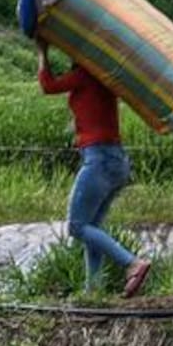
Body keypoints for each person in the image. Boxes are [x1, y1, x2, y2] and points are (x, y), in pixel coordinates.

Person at [37, 37, 151, 297]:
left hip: (98, 159)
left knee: (77, 227)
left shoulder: (84, 74)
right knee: (92, 228)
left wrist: (42, 51)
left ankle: (132, 263)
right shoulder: (105, 77)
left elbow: (48, 85)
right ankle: (93, 291)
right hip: (118, 161)